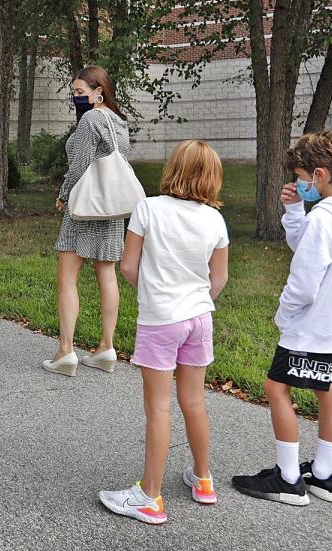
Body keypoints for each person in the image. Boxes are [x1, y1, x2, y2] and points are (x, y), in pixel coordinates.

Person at [232, 131, 332, 506]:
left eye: (302, 177)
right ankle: (324, 475)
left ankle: (287, 480)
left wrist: (284, 315)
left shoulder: (324, 221)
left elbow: (304, 281)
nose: (299, 183)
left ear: (318, 174)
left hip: (311, 325)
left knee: (275, 388)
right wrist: (295, 210)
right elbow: (307, 248)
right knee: (328, 389)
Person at [98, 140, 230, 525]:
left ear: (173, 168)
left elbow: (127, 266)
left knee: (158, 406)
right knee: (194, 402)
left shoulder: (148, 209)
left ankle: (149, 496)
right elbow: (218, 277)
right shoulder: (214, 219)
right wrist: (196, 298)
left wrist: (153, 293)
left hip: (161, 320)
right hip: (200, 318)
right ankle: (203, 480)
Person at [43, 65, 129, 376]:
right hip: (109, 208)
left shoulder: (91, 119)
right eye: (74, 92)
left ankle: (65, 351)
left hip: (84, 207)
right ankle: (106, 347)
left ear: (98, 92)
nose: (75, 97)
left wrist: (64, 194)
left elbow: (79, 166)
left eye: (80, 92)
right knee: (107, 275)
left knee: (67, 278)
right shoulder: (119, 122)